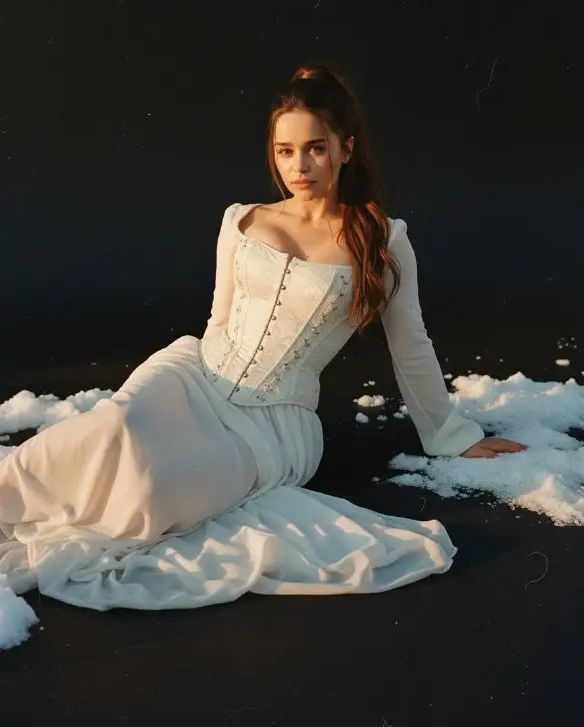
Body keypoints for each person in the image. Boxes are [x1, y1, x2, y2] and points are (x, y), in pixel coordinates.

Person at [0, 63, 526, 614]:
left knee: (152, 498)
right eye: (284, 151)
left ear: (346, 148)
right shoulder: (241, 220)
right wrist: (174, 415)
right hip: (194, 377)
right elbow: (219, 320)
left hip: (277, 424)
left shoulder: (382, 240)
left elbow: (410, 342)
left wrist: (449, 433)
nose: (298, 166)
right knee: (110, 431)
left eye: (315, 148)